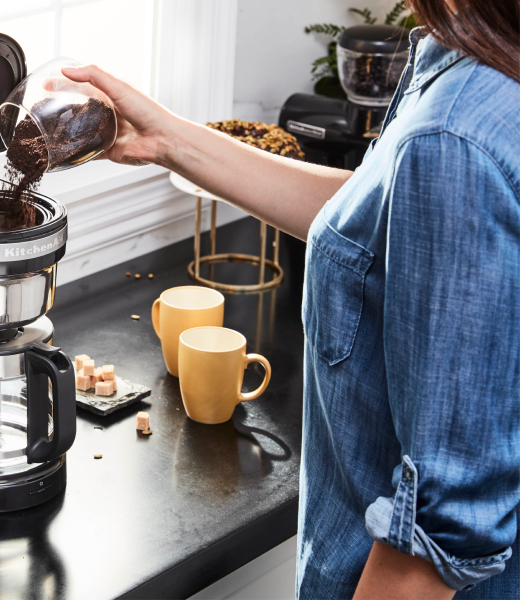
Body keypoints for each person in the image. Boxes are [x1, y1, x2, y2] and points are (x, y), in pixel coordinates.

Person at [62, 0, 519, 598]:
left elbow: (437, 543)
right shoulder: (480, 67)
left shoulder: (455, 136)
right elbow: (378, 220)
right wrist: (167, 138)